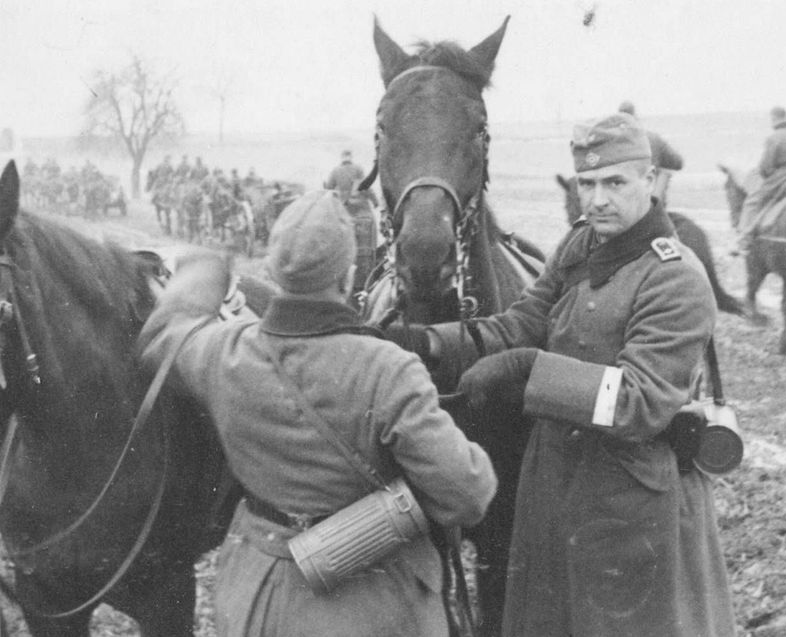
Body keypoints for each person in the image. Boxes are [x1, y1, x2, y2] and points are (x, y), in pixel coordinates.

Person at [389, 113, 736, 636]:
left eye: (615, 182)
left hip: (630, 502)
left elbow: (637, 403)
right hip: (554, 488)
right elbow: (523, 322)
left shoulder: (675, 278)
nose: (598, 199)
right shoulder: (581, 246)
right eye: (588, 184)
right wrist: (428, 341)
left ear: (651, 181)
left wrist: (530, 369)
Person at [137, 190, 497, 637]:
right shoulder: (388, 369)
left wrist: (205, 263)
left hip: (257, 591)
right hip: (372, 600)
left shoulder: (223, 353)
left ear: (270, 272)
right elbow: (468, 494)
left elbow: (167, 332)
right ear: (348, 277)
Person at [735, 106, 786, 252]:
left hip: (783, 179)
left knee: (753, 200)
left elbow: (766, 167)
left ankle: (745, 237)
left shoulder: (774, 138)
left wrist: (767, 176)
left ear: (774, 118)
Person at [618, 100, 684, 207]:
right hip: (652, 203)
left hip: (624, 204)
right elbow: (678, 163)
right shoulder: (654, 138)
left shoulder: (613, 142)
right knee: (663, 174)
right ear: (635, 117)